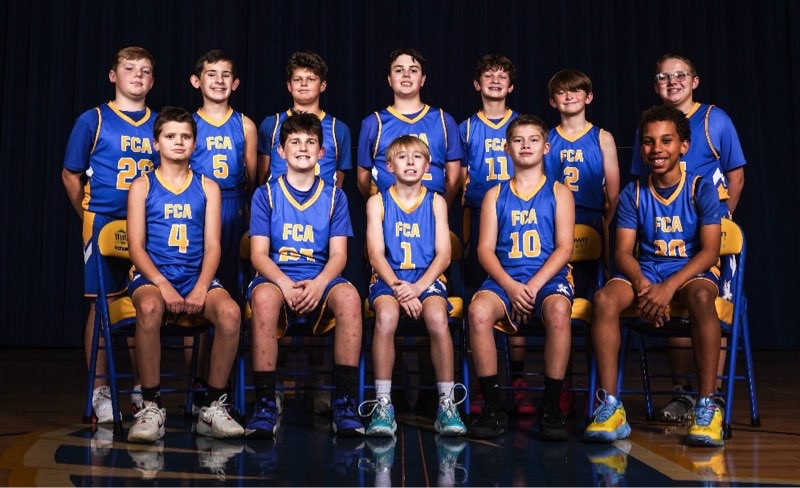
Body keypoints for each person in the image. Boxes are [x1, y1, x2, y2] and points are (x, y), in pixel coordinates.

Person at [584, 105, 724, 447]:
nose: (656, 149)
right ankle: (611, 407)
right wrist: (647, 287)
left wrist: (668, 288)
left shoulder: (701, 188)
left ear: (683, 146)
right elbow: (622, 253)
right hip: (647, 271)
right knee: (603, 299)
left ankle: (707, 406)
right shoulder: (633, 193)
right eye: (648, 142)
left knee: (702, 297)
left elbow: (709, 252)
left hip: (689, 271)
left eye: (666, 140)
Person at [631, 54, 746, 422]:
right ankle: (683, 393)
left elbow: (736, 176)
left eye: (680, 75)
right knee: (671, 303)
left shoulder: (715, 119)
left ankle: (712, 396)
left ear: (694, 81)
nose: (672, 81)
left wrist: (721, 223)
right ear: (655, 85)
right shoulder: (651, 125)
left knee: (707, 303)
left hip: (707, 228)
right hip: (668, 231)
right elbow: (641, 182)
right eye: (663, 76)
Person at [126, 107, 244, 443]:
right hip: (154, 277)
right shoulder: (142, 185)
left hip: (195, 276)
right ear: (156, 143)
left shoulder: (208, 187)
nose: (178, 142)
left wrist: (201, 287)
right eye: (170, 136)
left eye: (186, 137)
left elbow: (213, 246)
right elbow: (136, 248)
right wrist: (162, 285)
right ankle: (151, 406)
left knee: (231, 313)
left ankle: (212, 406)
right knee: (149, 307)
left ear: (195, 144)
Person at [245, 112, 364, 439]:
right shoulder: (265, 194)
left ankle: (344, 402)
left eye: (310, 142)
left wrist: (320, 283)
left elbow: (339, 256)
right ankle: (266, 402)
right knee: (264, 299)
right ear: (280, 151)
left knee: (350, 298)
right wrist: (284, 283)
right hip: (276, 277)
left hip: (321, 276)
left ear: (321, 152)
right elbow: (258, 255)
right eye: (294, 142)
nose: (302, 148)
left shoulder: (335, 196)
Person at [62, 46, 159, 422]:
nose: (138, 75)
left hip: (148, 225)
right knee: (100, 305)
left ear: (153, 81)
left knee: (144, 301)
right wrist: (88, 214)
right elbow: (70, 174)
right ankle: (100, 389)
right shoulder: (94, 119)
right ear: (113, 76)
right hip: (103, 220)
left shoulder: (160, 123)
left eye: (145, 70)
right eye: (129, 68)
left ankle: (141, 388)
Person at [467, 115, 575, 440]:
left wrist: (533, 286)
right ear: (506, 148)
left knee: (559, 311)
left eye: (533, 140)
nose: (525, 145)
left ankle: (551, 408)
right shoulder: (494, 194)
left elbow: (564, 248)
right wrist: (512, 287)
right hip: (506, 279)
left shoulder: (559, 192)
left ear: (546, 147)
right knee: (477, 311)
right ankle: (493, 407)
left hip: (547, 279)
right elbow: (484, 250)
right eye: (518, 140)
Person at [360, 135, 467, 437]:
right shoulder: (377, 202)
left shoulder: (436, 201)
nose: (410, 162)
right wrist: (399, 288)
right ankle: (383, 404)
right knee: (386, 316)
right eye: (402, 157)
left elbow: (444, 255)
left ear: (428, 165)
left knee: (437, 316)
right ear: (389, 166)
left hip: (426, 279)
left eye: (417, 157)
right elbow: (375, 255)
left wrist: (417, 288)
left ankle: (446, 403)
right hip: (389, 278)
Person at [459, 54, 534, 416]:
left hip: (520, 217)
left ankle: (517, 380)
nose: (494, 80)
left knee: (519, 296)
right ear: (477, 84)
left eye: (502, 75)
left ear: (511, 85)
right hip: (479, 215)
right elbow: (458, 180)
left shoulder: (523, 125)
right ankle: (482, 382)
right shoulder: (466, 128)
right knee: (480, 300)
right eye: (487, 75)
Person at [544, 68, 621, 416]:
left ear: (588, 97)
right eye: (562, 92)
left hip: (590, 224)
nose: (569, 96)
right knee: (560, 307)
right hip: (553, 228)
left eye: (576, 91)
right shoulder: (548, 138)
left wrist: (600, 227)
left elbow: (613, 194)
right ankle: (563, 387)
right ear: (553, 101)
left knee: (592, 309)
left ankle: (598, 390)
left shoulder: (602, 137)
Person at [186, 49, 257, 405]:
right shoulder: (188, 124)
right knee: (195, 294)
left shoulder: (245, 125)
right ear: (196, 81)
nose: (218, 80)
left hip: (234, 208)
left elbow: (253, 178)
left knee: (234, 295)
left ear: (236, 83)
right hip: (196, 212)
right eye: (211, 74)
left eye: (225, 75)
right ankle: (196, 381)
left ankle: (226, 382)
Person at [357, 48, 462, 207]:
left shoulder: (444, 120)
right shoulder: (373, 123)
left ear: (423, 79)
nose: (406, 75)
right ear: (389, 79)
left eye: (413, 70)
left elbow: (454, 179)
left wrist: (438, 211)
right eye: (399, 70)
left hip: (434, 211)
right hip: (388, 213)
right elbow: (362, 179)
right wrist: (381, 209)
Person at [257, 51, 352, 187]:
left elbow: (338, 182)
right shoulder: (271, 124)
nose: (304, 84)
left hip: (322, 200)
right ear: (289, 85)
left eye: (311, 79)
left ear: (322, 85)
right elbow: (262, 177)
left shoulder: (338, 129)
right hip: (279, 200)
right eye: (297, 79)